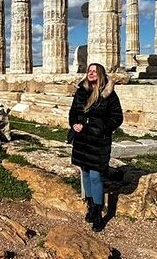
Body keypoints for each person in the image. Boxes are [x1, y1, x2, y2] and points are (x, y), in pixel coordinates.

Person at [69, 62, 123, 232]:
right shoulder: (81, 92)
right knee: (85, 173)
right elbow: (73, 113)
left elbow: (117, 117)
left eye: (94, 71)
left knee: (95, 176)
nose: (91, 73)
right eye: (89, 71)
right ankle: (91, 207)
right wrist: (74, 124)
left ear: (100, 74)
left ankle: (99, 213)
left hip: (98, 141)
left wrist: (101, 129)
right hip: (81, 139)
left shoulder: (109, 95)